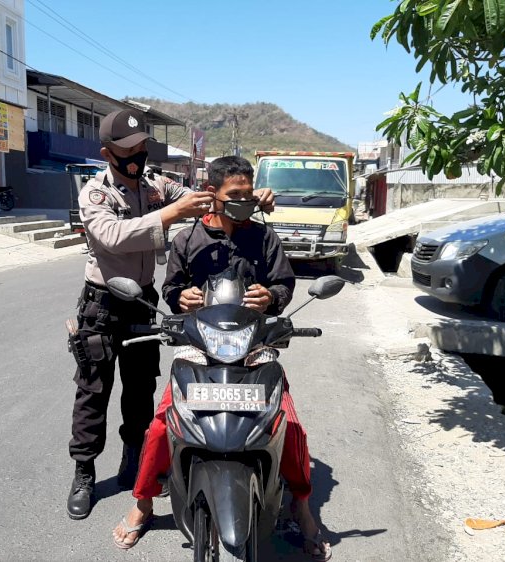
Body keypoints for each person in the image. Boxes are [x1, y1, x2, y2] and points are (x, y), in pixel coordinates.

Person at [111, 156, 332, 561]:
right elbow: (171, 288)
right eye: (236, 196)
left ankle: (301, 506)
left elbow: (284, 283)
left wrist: (272, 297)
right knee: (162, 427)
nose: (244, 202)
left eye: (249, 195)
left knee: (291, 426)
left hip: (254, 346)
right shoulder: (187, 239)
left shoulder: (263, 238)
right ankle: (144, 502)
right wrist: (181, 298)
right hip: (199, 346)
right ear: (212, 195)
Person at [65, 109, 275, 521]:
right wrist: (167, 216)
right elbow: (112, 235)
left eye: (142, 147)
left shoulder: (154, 183)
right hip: (103, 303)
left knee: (141, 389)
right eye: (129, 150)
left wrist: (252, 200)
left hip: (142, 300)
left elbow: (207, 197)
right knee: (93, 392)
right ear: (108, 153)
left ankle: (134, 461)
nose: (138, 155)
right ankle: (84, 472)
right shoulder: (95, 193)